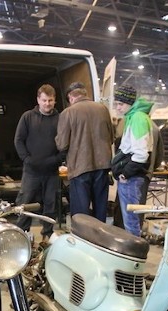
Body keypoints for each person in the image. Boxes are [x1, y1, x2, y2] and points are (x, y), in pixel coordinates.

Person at [55, 82, 114, 222]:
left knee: (81, 214)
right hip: (102, 166)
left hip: (80, 167)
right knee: (100, 210)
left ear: (71, 97)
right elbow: (111, 137)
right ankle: (100, 240)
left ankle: (84, 241)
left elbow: (61, 144)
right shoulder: (103, 109)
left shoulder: (68, 112)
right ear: (85, 93)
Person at [13, 84, 62, 244]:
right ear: (38, 100)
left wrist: (58, 159)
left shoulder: (60, 119)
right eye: (44, 100)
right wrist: (26, 158)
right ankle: (23, 232)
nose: (47, 104)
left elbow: (66, 142)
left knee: (51, 203)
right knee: (25, 202)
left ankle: (47, 233)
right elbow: (18, 140)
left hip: (52, 171)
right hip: (31, 171)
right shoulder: (27, 117)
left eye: (50, 100)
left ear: (55, 100)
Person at [111, 85, 154, 237]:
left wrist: (126, 174)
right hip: (131, 177)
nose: (117, 107)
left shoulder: (138, 119)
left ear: (130, 102)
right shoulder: (133, 116)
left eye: (120, 104)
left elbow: (141, 153)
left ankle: (134, 256)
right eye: (116, 103)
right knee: (130, 220)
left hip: (131, 179)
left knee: (131, 222)